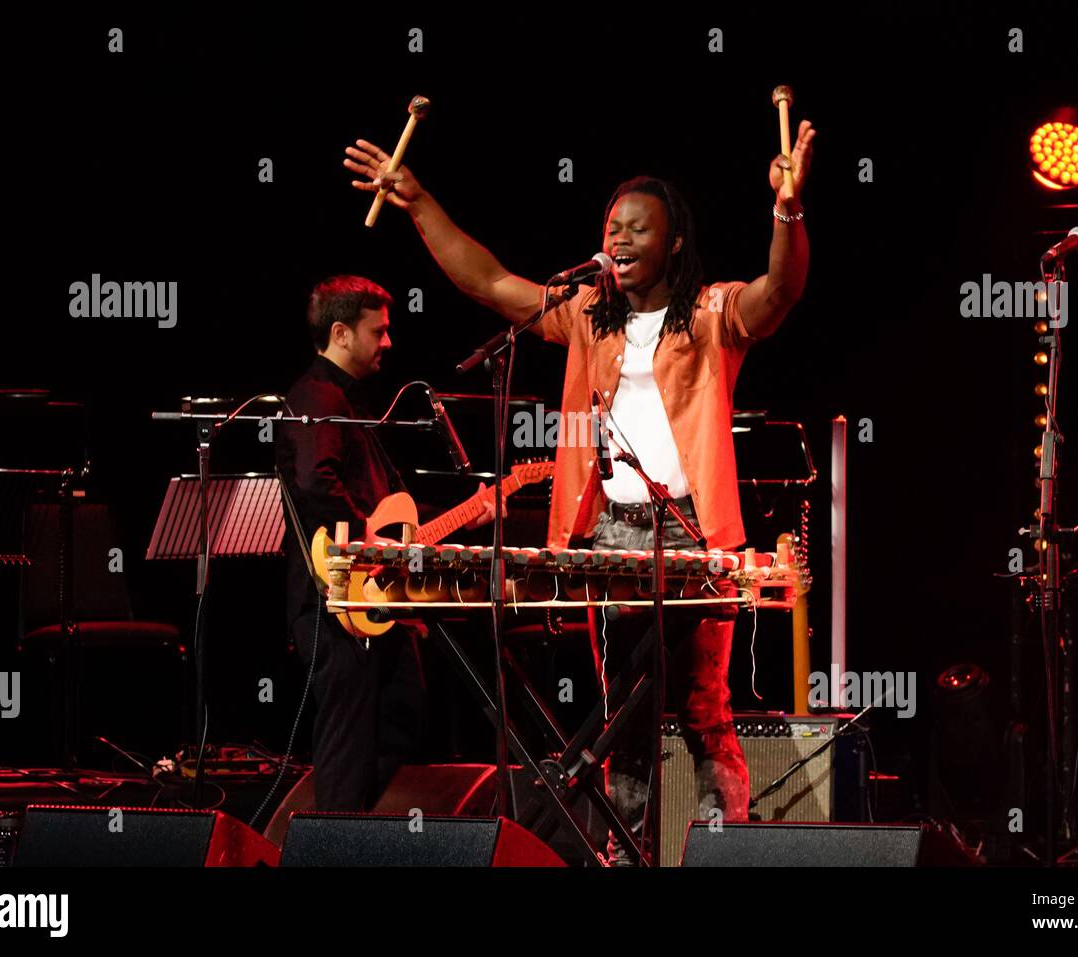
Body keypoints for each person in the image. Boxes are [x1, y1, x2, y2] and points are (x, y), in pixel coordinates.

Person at [343, 125, 814, 861]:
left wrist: (786, 209)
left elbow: (781, 290)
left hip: (695, 534)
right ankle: (626, 856)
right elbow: (491, 283)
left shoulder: (713, 314)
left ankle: (731, 853)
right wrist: (418, 203)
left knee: (701, 711)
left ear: (675, 243)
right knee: (619, 725)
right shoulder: (589, 314)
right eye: (610, 227)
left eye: (637, 227)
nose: (619, 238)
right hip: (611, 535)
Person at [276, 275, 494, 811]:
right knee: (349, 740)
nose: (389, 342)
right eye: (380, 330)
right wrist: (370, 548)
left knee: (401, 710)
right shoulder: (315, 397)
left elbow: (395, 519)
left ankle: (365, 831)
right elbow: (313, 482)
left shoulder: (349, 403)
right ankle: (335, 839)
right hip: (338, 600)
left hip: (370, 598)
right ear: (341, 333)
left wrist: (469, 515)